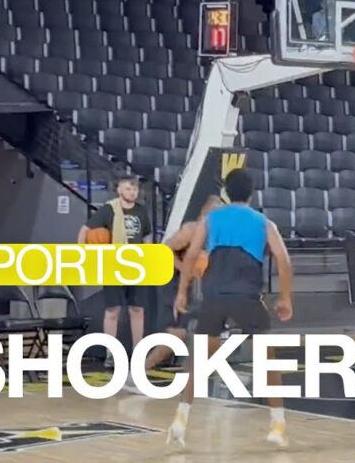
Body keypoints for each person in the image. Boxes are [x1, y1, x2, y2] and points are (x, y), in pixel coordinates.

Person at [167, 169, 295, 448]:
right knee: (267, 359)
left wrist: (181, 292)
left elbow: (189, 257)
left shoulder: (211, 219)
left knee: (199, 361)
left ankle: (180, 419)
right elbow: (284, 260)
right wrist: (285, 298)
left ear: (227, 193)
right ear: (251, 194)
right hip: (246, 296)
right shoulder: (263, 222)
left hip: (214, 295)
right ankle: (277, 424)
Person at [140, 195, 222, 374]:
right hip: (170, 279)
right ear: (203, 213)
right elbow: (164, 251)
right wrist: (184, 268)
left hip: (189, 284)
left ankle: (196, 374)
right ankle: (138, 371)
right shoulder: (190, 230)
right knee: (178, 334)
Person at [77, 175, 152, 369]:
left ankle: (138, 353)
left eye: (134, 189)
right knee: (113, 311)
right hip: (113, 263)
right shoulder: (108, 210)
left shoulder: (142, 212)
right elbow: (85, 229)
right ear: (119, 190)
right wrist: (82, 252)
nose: (132, 192)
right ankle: (111, 353)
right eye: (128, 189)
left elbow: (147, 236)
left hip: (136, 264)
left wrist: (148, 256)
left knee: (137, 310)